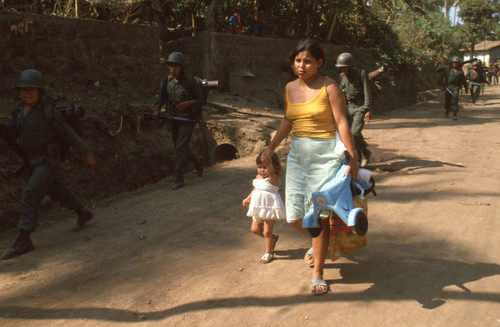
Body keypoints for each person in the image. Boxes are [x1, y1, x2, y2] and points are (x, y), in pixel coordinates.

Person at [261, 39, 359, 295]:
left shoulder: (330, 88)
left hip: (325, 158)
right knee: (294, 216)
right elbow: (286, 121)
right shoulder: (289, 88)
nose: (301, 65)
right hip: (297, 158)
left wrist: (353, 156)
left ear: (319, 63)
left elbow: (342, 123)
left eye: (307, 61)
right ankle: (320, 244)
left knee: (319, 217)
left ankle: (318, 273)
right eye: (297, 60)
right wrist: (270, 148)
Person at [1, 69, 98, 260]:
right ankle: (83, 212)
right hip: (32, 160)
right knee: (56, 190)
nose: (27, 93)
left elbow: (68, 133)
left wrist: (86, 153)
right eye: (24, 89)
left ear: (40, 91)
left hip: (48, 160)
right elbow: (11, 131)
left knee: (31, 192)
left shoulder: (49, 112)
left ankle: (24, 239)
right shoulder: (19, 110)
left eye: (32, 89)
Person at [153, 52, 204, 190]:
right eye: (170, 66)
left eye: (175, 66)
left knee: (181, 146)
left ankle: (179, 177)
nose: (172, 69)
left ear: (181, 67)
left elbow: (201, 100)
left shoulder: (190, 81)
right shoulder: (167, 81)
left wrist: (187, 104)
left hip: (188, 118)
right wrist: (157, 109)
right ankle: (197, 161)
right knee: (179, 146)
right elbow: (162, 98)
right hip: (173, 118)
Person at [242, 152, 284, 263]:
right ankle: (273, 239)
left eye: (265, 167)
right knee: (255, 229)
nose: (261, 170)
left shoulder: (273, 179)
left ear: (273, 167)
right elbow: (256, 189)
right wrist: (248, 198)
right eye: (259, 167)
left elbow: (270, 172)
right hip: (258, 208)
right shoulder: (258, 177)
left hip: (270, 208)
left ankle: (269, 253)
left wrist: (268, 163)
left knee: (266, 232)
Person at [336, 52, 373, 168]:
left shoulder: (361, 74)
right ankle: (362, 155)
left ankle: (362, 153)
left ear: (350, 66)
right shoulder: (342, 77)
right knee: (348, 134)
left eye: (344, 67)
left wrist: (367, 109)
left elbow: (368, 93)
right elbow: (341, 95)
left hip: (359, 108)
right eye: (340, 67)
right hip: (347, 108)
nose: (342, 69)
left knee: (354, 132)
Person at [437, 56, 468, 120]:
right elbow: (440, 79)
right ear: (451, 63)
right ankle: (447, 111)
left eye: (456, 63)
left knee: (455, 99)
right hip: (448, 87)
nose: (455, 64)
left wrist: (466, 88)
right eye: (454, 62)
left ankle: (455, 114)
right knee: (447, 99)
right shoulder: (447, 70)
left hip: (456, 87)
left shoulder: (460, 71)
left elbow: (464, 80)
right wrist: (441, 86)